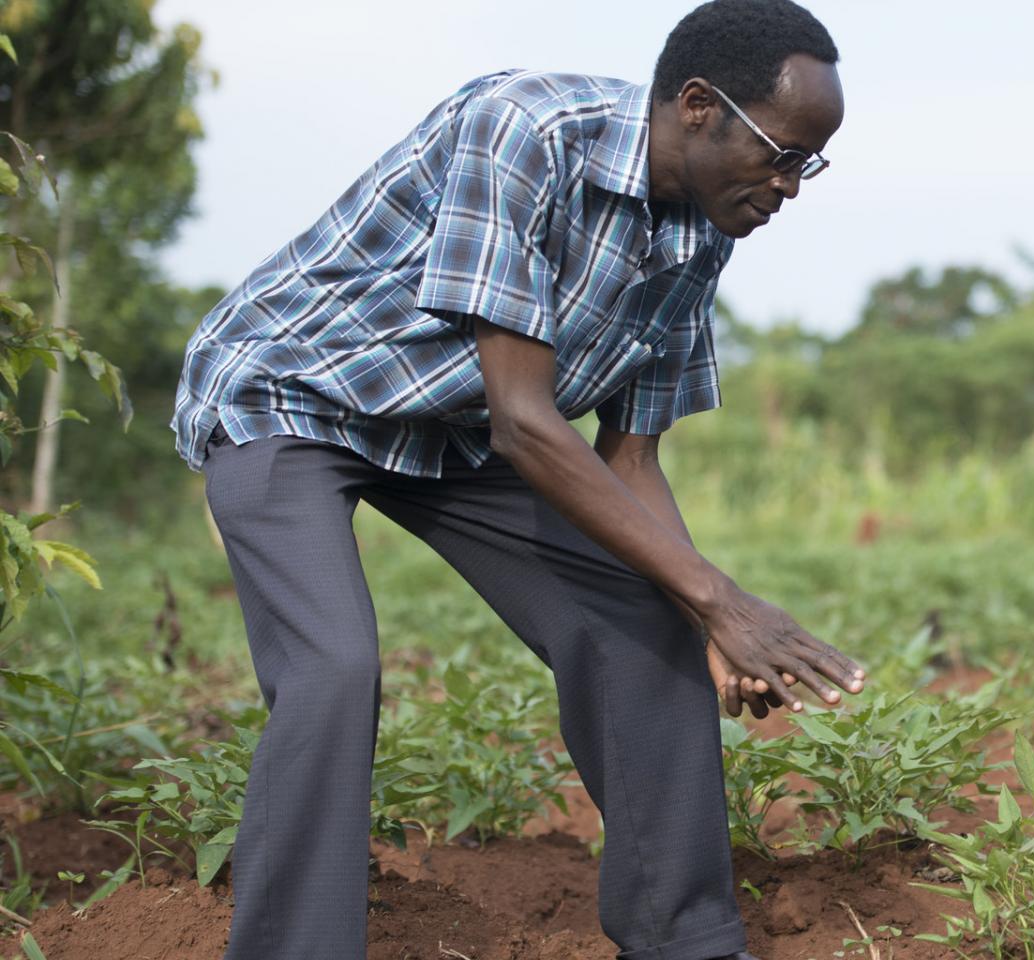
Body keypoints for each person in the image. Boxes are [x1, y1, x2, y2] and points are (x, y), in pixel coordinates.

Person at [169, 2, 864, 957]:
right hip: (295, 395)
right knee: (333, 665)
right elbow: (528, 422)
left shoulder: (706, 226)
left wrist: (703, 610)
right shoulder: (529, 131)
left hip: (448, 430)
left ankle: (687, 942)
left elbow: (630, 459)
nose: (790, 185)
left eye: (808, 164)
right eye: (782, 154)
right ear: (699, 106)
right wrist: (724, 598)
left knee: (647, 617)